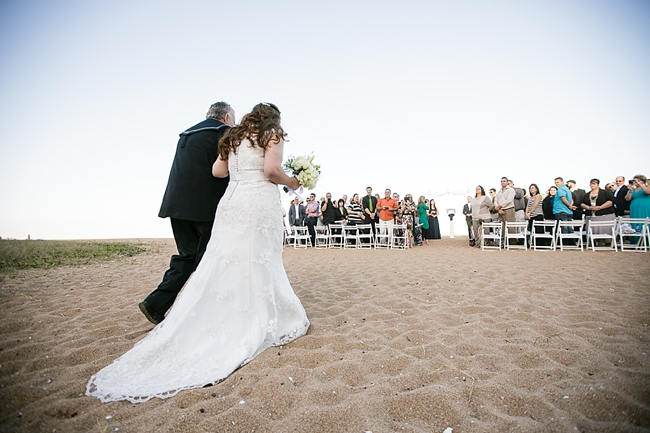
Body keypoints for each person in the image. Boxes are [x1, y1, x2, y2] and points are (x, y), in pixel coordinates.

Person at [88, 103, 309, 403]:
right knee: (258, 260)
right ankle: (255, 313)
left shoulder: (232, 137)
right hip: (257, 204)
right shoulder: (272, 134)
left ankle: (183, 309)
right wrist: (293, 182)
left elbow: (218, 171)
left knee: (219, 262)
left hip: (229, 204)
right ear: (273, 119)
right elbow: (271, 170)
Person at [139, 102, 235, 325]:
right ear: (227, 116)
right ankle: (200, 312)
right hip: (204, 207)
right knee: (207, 259)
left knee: (186, 256)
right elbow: (226, 170)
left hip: (176, 205)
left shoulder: (187, 134)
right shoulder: (222, 132)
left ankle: (155, 304)